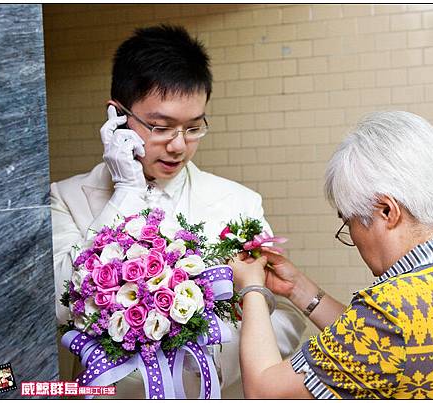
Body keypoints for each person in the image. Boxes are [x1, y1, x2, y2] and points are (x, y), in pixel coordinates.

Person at [50, 24, 305, 398]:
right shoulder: (67, 197)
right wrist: (126, 191)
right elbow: (59, 303)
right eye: (161, 127)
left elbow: (280, 319)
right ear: (117, 116)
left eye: (193, 127)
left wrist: (210, 363)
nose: (178, 146)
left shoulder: (239, 203)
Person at [231, 111, 433, 399]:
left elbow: (263, 391)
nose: (354, 237)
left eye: (350, 222)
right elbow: (384, 351)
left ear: (387, 211)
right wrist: (297, 288)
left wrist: (252, 288)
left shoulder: (393, 309)